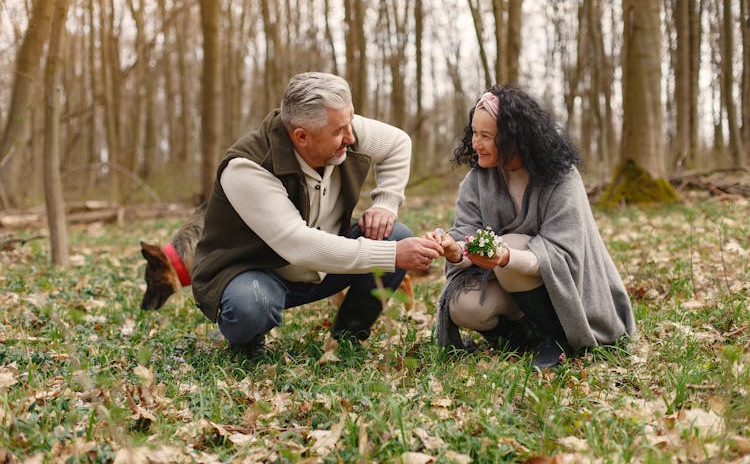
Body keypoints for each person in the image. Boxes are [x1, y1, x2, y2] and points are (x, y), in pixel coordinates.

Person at [192, 72, 443, 357]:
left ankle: (348, 338)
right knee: (252, 305)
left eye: (350, 124)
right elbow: (299, 245)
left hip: (324, 267)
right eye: (339, 132)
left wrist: (385, 203)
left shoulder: (339, 126)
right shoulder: (247, 167)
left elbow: (398, 143)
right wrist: (392, 255)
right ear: (301, 136)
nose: (350, 137)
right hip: (256, 272)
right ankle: (247, 343)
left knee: (395, 235)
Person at [426, 84, 635, 370]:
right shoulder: (477, 181)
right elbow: (466, 235)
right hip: (509, 283)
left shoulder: (559, 176)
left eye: (486, 136)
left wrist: (506, 257)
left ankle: (557, 338)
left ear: (514, 138)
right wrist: (453, 251)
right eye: (474, 133)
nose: (475, 144)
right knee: (463, 305)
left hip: (568, 290)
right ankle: (522, 338)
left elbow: (565, 254)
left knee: (510, 249)